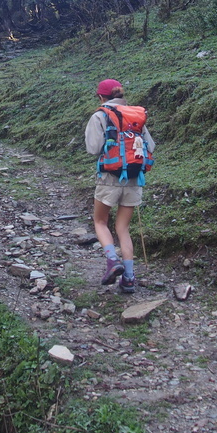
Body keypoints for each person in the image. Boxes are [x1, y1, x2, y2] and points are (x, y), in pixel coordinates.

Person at [85, 78, 155, 294]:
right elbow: (150, 146)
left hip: (109, 177)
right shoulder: (135, 115)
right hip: (134, 178)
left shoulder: (100, 115)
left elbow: (93, 148)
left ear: (100, 96)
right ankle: (129, 278)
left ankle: (112, 260)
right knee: (123, 228)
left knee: (100, 221)